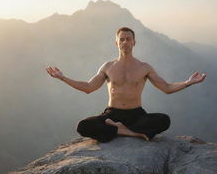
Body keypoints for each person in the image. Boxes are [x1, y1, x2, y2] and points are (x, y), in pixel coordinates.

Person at [46, 27, 206, 142]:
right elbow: (89, 87)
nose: (125, 42)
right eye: (121, 39)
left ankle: (116, 130)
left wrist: (188, 82)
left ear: (134, 42)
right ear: (116, 43)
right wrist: (63, 78)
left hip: (137, 115)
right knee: (83, 126)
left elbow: (166, 88)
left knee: (164, 120)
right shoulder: (108, 66)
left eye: (128, 39)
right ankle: (132, 133)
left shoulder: (144, 67)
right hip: (111, 115)